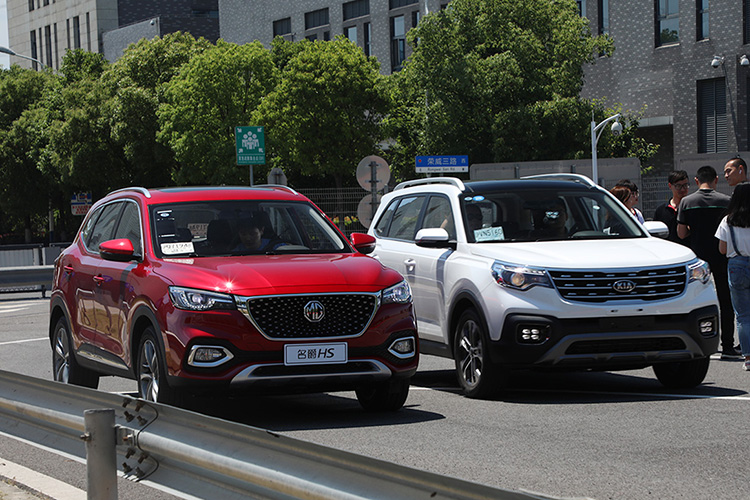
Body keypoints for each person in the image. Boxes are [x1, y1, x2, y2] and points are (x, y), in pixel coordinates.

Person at [677, 166, 737, 358]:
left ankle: (697, 343)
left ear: (696, 181)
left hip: (698, 260)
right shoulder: (726, 201)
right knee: (725, 300)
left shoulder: (687, 202)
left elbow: (681, 233)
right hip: (721, 256)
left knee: (696, 299)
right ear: (716, 179)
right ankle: (728, 345)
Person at [715, 183, 750, 371]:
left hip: (737, 265)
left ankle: (748, 357)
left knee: (743, 316)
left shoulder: (728, 220)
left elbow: (722, 249)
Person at [653, 170, 691, 244]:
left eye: (685, 185)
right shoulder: (661, 210)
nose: (682, 189)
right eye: (678, 186)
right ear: (670, 186)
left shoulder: (692, 208)